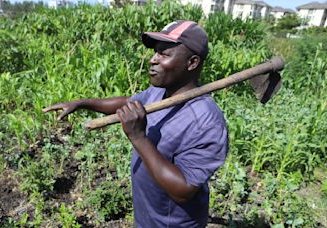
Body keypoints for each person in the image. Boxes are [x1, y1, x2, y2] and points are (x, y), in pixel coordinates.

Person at [43, 20, 228, 227]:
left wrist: (138, 137)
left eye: (164, 54)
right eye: (155, 52)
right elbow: (129, 103)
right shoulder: (161, 91)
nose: (152, 60)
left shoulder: (205, 121)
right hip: (147, 215)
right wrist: (83, 103)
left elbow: (183, 190)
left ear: (192, 63)